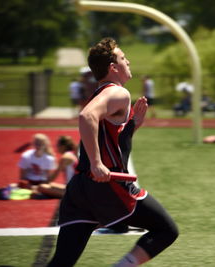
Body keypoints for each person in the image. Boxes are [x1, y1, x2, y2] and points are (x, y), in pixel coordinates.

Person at [47, 37, 178, 267]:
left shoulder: (101, 94)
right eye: (123, 57)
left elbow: (111, 137)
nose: (128, 61)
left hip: (80, 189)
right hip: (107, 187)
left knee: (60, 264)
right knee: (166, 230)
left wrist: (133, 125)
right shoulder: (118, 93)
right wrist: (97, 163)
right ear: (113, 67)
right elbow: (86, 117)